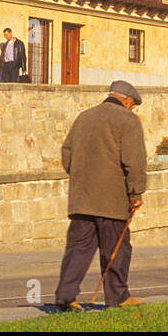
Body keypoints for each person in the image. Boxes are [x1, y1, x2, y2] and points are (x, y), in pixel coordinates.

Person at [54, 80, 148, 311]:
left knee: (78, 249)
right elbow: (134, 160)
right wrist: (136, 192)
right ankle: (118, 297)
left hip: (82, 198)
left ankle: (66, 297)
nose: (132, 109)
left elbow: (67, 154)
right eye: (132, 105)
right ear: (126, 101)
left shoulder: (84, 117)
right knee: (116, 249)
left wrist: (82, 177)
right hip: (112, 199)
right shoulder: (128, 120)